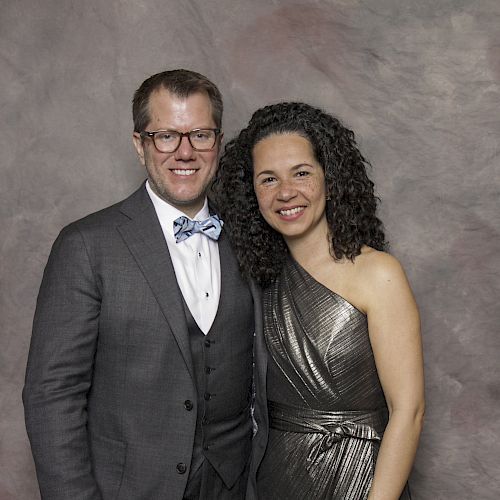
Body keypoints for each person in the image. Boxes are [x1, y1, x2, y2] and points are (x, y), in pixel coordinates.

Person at [22, 69, 267, 500]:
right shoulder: (86, 245)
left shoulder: (249, 235)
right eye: (166, 136)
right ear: (140, 145)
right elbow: (52, 396)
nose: (185, 152)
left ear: (219, 142)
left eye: (200, 135)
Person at [213, 102, 425, 500]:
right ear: (251, 193)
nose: (286, 192)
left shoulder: (379, 274)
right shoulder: (255, 280)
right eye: (268, 179)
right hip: (276, 479)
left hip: (363, 480)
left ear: (331, 178)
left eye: (302, 173)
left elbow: (408, 413)